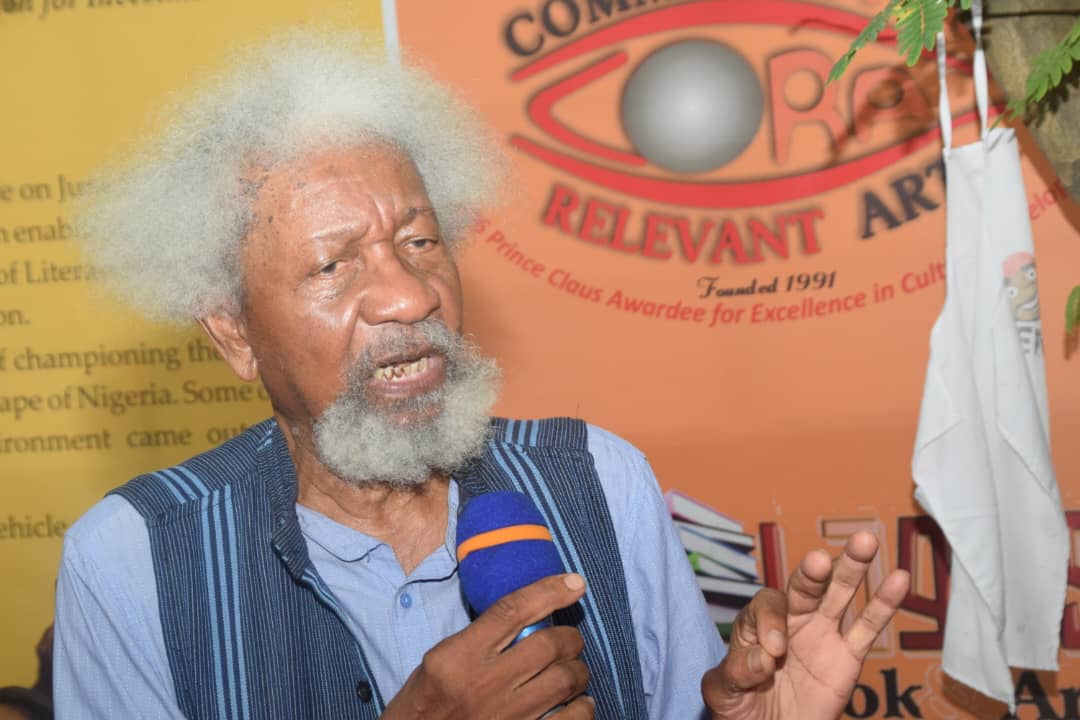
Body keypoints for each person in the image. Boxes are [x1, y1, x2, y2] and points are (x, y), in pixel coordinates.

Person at [53, 33, 910, 719]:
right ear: (234, 334)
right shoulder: (134, 558)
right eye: (333, 266)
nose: (409, 294)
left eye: (420, 241)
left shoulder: (599, 481)